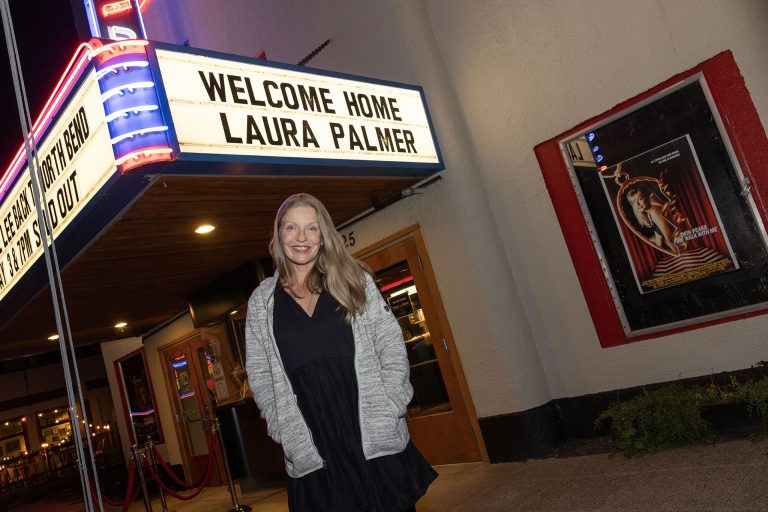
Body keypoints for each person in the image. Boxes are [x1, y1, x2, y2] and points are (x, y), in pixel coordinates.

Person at [245, 193, 437, 511]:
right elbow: (260, 373)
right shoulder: (262, 302)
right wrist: (281, 426)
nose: (301, 238)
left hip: (369, 426)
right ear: (278, 234)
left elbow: (389, 345)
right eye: (292, 228)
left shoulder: (353, 281)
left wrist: (390, 404)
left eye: (312, 228)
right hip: (310, 437)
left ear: (324, 236)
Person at [625, 184, 681, 255]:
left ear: (648, 197)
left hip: (679, 247)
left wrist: (678, 256)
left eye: (640, 198)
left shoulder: (655, 211)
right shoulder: (650, 213)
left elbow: (670, 239)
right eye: (633, 202)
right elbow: (659, 241)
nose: (637, 204)